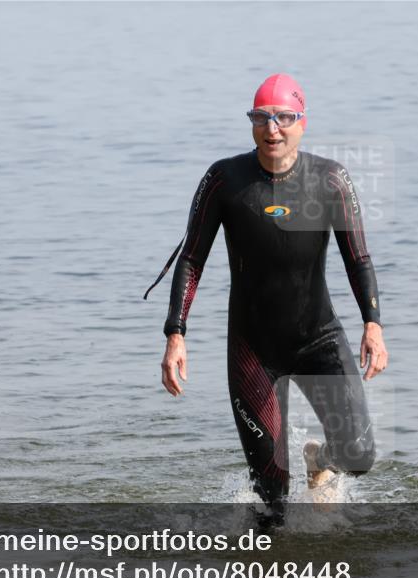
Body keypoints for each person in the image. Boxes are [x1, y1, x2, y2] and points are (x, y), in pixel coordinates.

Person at [145, 73, 388, 523]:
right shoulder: (225, 180)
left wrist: (373, 324)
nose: (272, 128)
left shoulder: (330, 180)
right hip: (253, 351)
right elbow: (192, 259)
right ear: (252, 123)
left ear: (302, 123)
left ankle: (320, 462)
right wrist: (175, 334)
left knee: (358, 455)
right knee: (272, 501)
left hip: (318, 338)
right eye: (261, 117)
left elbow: (358, 258)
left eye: (283, 118)